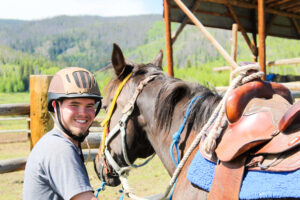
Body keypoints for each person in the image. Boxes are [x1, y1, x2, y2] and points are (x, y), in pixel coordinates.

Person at [23, 67, 102, 200]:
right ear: (55, 106)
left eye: (89, 106)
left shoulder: (56, 143)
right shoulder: (59, 149)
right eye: (74, 104)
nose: (83, 113)